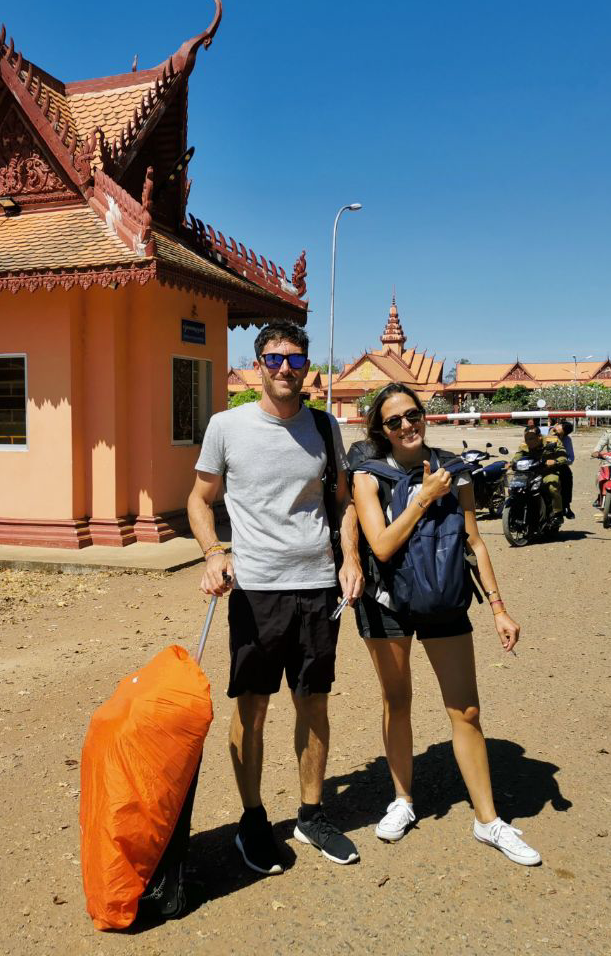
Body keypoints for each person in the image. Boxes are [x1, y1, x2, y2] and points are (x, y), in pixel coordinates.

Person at [187, 320, 364, 876]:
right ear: (258, 364)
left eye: (295, 359)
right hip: (257, 590)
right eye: (274, 359)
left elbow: (343, 502)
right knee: (254, 706)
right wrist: (214, 551)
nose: (286, 369)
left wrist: (351, 559)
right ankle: (253, 819)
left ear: (307, 366)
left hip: (316, 586)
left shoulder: (324, 426)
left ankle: (311, 815)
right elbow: (198, 499)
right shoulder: (227, 426)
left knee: (314, 702)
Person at [347, 383, 541, 865]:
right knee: (397, 698)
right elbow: (383, 546)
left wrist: (498, 606)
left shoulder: (456, 470)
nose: (407, 425)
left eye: (413, 415)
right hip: (386, 600)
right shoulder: (368, 476)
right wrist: (423, 496)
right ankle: (403, 799)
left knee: (467, 710)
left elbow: (474, 543)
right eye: (395, 421)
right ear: (382, 430)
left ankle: (488, 820)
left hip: (444, 597)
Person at [509, 427, 568, 520]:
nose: (528, 441)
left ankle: (557, 513)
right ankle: (515, 510)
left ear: (539, 436)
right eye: (526, 438)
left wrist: (555, 461)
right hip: (529, 472)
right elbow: (518, 456)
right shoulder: (524, 444)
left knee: (552, 486)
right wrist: (511, 463)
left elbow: (563, 455)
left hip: (547, 471)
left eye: (531, 438)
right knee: (514, 487)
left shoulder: (552, 441)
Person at [549, 420, 576, 518]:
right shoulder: (542, 432)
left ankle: (566, 505)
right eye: (556, 430)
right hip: (540, 462)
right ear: (556, 424)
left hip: (557, 464)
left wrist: (559, 461)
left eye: (560, 434)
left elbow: (570, 458)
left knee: (567, 475)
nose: (555, 434)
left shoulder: (566, 440)